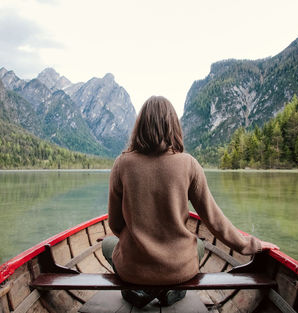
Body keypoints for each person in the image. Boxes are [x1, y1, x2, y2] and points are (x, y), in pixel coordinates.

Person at [102, 96, 278, 307]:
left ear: (140, 126)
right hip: (179, 269)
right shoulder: (189, 164)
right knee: (201, 246)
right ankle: (172, 291)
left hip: (134, 269)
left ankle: (138, 291)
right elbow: (215, 221)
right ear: (173, 125)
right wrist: (251, 245)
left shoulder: (122, 164)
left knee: (107, 245)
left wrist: (138, 240)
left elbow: (115, 225)